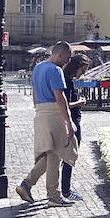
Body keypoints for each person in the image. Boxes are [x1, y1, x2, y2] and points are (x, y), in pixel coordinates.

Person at [16, 41, 78, 207]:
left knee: (50, 154)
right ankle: (53, 196)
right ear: (60, 54)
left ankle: (28, 185)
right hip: (53, 114)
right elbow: (60, 98)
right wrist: (69, 121)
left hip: (41, 113)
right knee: (57, 153)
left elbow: (34, 92)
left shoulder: (38, 67)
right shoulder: (55, 70)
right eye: (68, 57)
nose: (69, 61)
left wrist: (38, 109)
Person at [59, 54, 91, 201]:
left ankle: (63, 188)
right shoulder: (66, 81)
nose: (83, 73)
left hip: (73, 120)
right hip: (71, 121)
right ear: (76, 67)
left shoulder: (69, 80)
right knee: (69, 156)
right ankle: (66, 190)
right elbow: (63, 104)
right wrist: (79, 103)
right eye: (82, 70)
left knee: (67, 156)